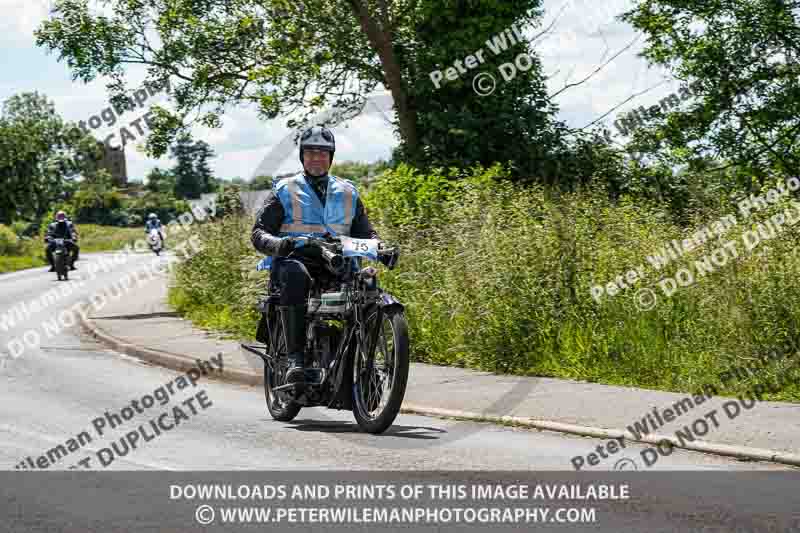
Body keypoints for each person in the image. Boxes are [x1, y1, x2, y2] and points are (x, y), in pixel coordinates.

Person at [251, 125, 381, 385]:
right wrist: (279, 245)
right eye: (310, 153)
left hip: (339, 265)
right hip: (296, 261)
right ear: (302, 157)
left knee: (367, 289)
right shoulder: (285, 189)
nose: (316, 158)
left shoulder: (348, 192)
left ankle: (366, 367)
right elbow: (259, 232)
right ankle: (296, 360)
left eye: (322, 153)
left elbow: (366, 234)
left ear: (331, 157)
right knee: (296, 275)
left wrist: (380, 248)